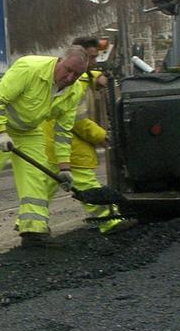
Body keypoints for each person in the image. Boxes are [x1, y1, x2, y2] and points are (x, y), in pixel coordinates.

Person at [0, 46, 90, 247]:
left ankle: (33, 232)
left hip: (28, 130)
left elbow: (63, 131)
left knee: (35, 178)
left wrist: (64, 167)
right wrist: (1, 132)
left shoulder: (74, 92)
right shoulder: (28, 68)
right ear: (59, 60)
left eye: (77, 74)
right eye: (68, 70)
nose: (71, 77)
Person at [40, 38, 132, 235]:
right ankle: (109, 221)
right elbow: (77, 120)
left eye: (96, 58)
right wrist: (101, 135)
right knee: (86, 182)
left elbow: (90, 75)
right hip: (70, 144)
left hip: (51, 142)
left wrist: (98, 76)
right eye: (90, 58)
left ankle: (31, 224)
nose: (93, 62)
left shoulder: (79, 75)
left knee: (43, 187)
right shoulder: (75, 82)